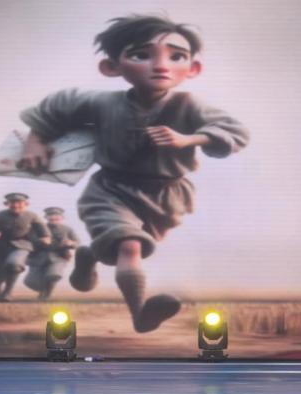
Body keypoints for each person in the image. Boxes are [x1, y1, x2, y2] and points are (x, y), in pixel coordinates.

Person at [17, 15, 249, 332]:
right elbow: (55, 109)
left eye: (176, 56)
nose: (161, 65)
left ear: (193, 68)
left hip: (167, 195)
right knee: (130, 246)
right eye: (141, 55)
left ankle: (89, 257)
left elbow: (234, 131)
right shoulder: (100, 103)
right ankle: (140, 314)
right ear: (112, 67)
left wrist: (189, 139)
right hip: (111, 189)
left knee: (125, 248)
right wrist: (34, 142)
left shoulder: (189, 104)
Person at [0, 193, 51, 302]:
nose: (16, 205)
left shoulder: (32, 216)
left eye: (19, 203)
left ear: (26, 204)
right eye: (12, 203)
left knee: (15, 264)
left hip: (21, 246)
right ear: (6, 204)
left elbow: (45, 234)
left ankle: (8, 292)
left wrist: (45, 239)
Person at [24, 207, 81, 300]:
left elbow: (77, 242)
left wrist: (71, 243)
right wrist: (41, 241)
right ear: (46, 217)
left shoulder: (67, 229)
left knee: (54, 275)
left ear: (62, 217)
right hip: (38, 257)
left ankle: (47, 295)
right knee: (30, 282)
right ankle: (43, 290)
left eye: (57, 216)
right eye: (51, 216)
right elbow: (30, 240)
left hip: (59, 257)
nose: (54, 217)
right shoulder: (38, 228)